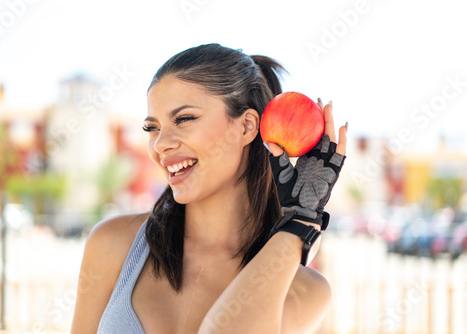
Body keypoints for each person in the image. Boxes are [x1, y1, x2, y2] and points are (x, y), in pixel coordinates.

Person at [71, 43, 347, 334]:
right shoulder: (113, 244)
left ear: (246, 127)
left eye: (184, 119)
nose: (160, 144)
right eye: (152, 128)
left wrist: (299, 224)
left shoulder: (303, 289)